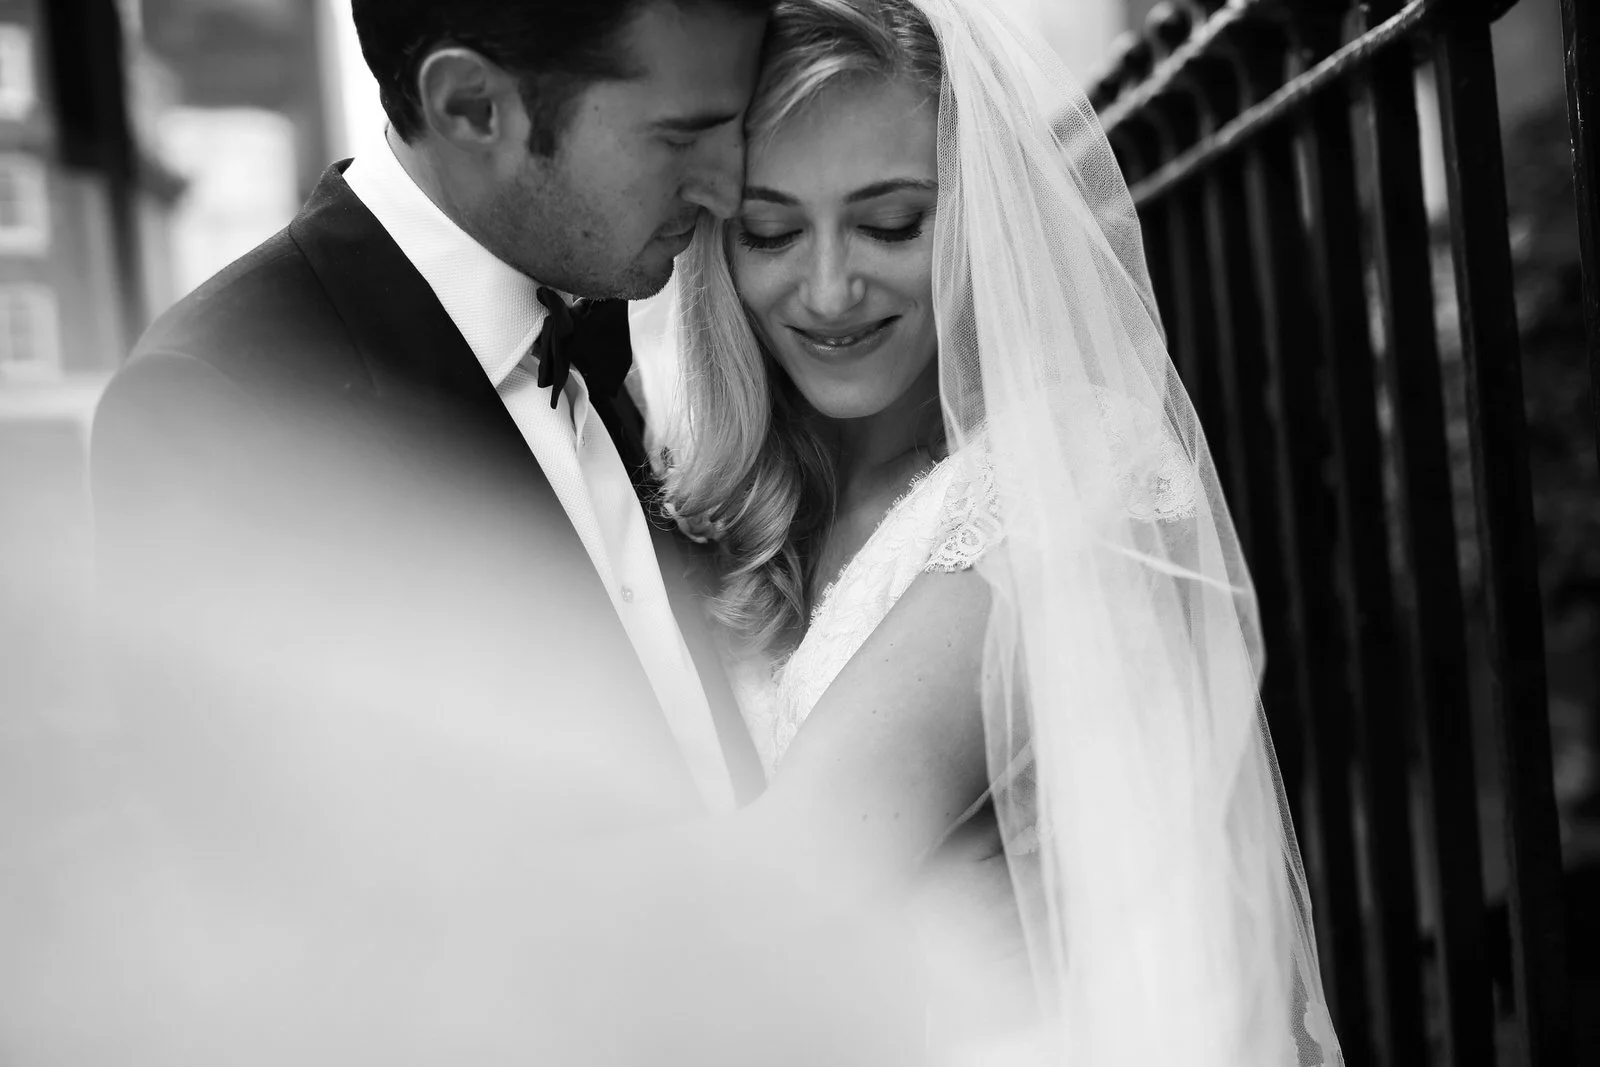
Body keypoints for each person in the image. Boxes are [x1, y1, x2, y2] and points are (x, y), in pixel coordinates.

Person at [651, 0, 1346, 1062]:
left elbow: (768, 898)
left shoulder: (1061, 486)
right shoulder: (728, 507)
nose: (829, 287)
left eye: (891, 223)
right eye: (771, 231)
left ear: (981, 213)